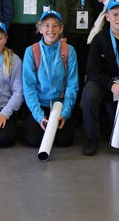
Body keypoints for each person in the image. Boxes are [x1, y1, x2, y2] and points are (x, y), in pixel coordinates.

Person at [81, 0, 119, 156]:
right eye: (115, 14)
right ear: (107, 16)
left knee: (117, 135)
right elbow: (92, 72)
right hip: (104, 85)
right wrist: (111, 85)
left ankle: (111, 122)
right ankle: (91, 137)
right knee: (89, 94)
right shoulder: (99, 39)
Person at [22, 10, 79, 150]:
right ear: (40, 29)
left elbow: (73, 86)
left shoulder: (69, 50)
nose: (51, 30)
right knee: (33, 140)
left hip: (60, 106)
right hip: (39, 105)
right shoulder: (31, 51)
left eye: (55, 25)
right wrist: (39, 116)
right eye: (46, 25)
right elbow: (29, 88)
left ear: (61, 29)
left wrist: (64, 113)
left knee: (64, 141)